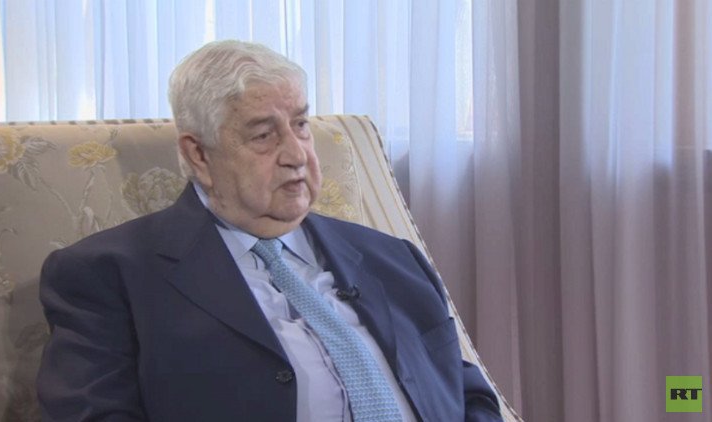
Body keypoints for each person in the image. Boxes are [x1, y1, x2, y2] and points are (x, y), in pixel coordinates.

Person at [37, 40, 503, 421]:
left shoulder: (392, 257)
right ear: (199, 154)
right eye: (263, 135)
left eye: (300, 124)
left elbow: (467, 394)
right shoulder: (108, 274)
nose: (297, 154)